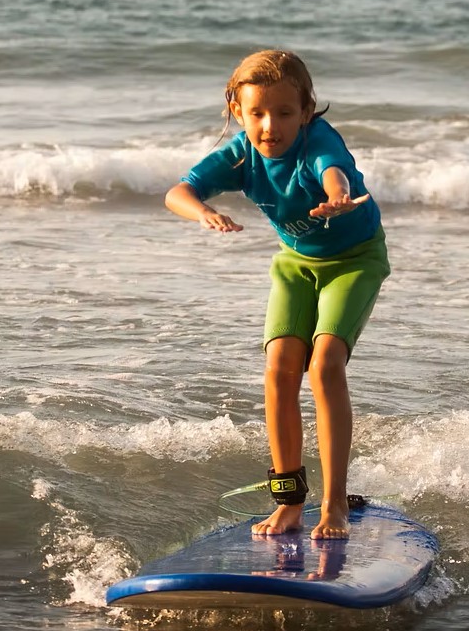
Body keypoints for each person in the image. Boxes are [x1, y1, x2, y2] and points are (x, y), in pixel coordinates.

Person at [164, 50, 388, 540]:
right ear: (237, 112)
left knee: (324, 364)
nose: (271, 126)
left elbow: (335, 170)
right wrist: (202, 211)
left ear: (306, 111)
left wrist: (337, 196)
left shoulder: (318, 142)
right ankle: (288, 502)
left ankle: (334, 506)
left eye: (285, 112)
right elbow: (178, 192)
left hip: (354, 261)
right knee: (280, 368)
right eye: (258, 113)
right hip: (295, 265)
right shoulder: (242, 154)